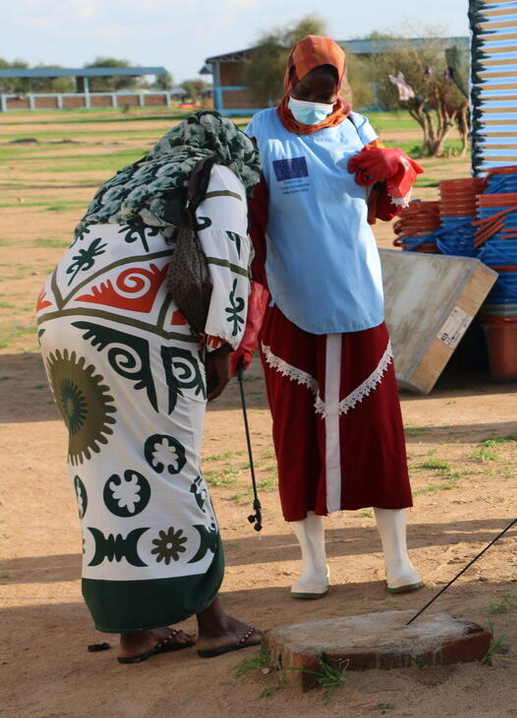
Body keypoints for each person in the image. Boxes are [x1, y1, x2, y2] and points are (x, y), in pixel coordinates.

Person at [36, 111, 264, 662]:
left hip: (61, 316)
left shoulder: (129, 176)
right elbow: (227, 260)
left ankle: (135, 631)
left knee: (103, 464)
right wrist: (223, 347)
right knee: (170, 459)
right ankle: (214, 623)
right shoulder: (218, 173)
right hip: (138, 323)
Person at [245, 35, 424, 599]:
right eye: (307, 88)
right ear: (289, 81)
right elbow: (247, 215)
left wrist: (395, 174)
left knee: (378, 432)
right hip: (290, 302)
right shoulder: (259, 133)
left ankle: (397, 559)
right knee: (296, 434)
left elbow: (383, 208)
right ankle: (313, 566)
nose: (317, 99)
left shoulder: (357, 128)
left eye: (328, 90)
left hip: (356, 298)